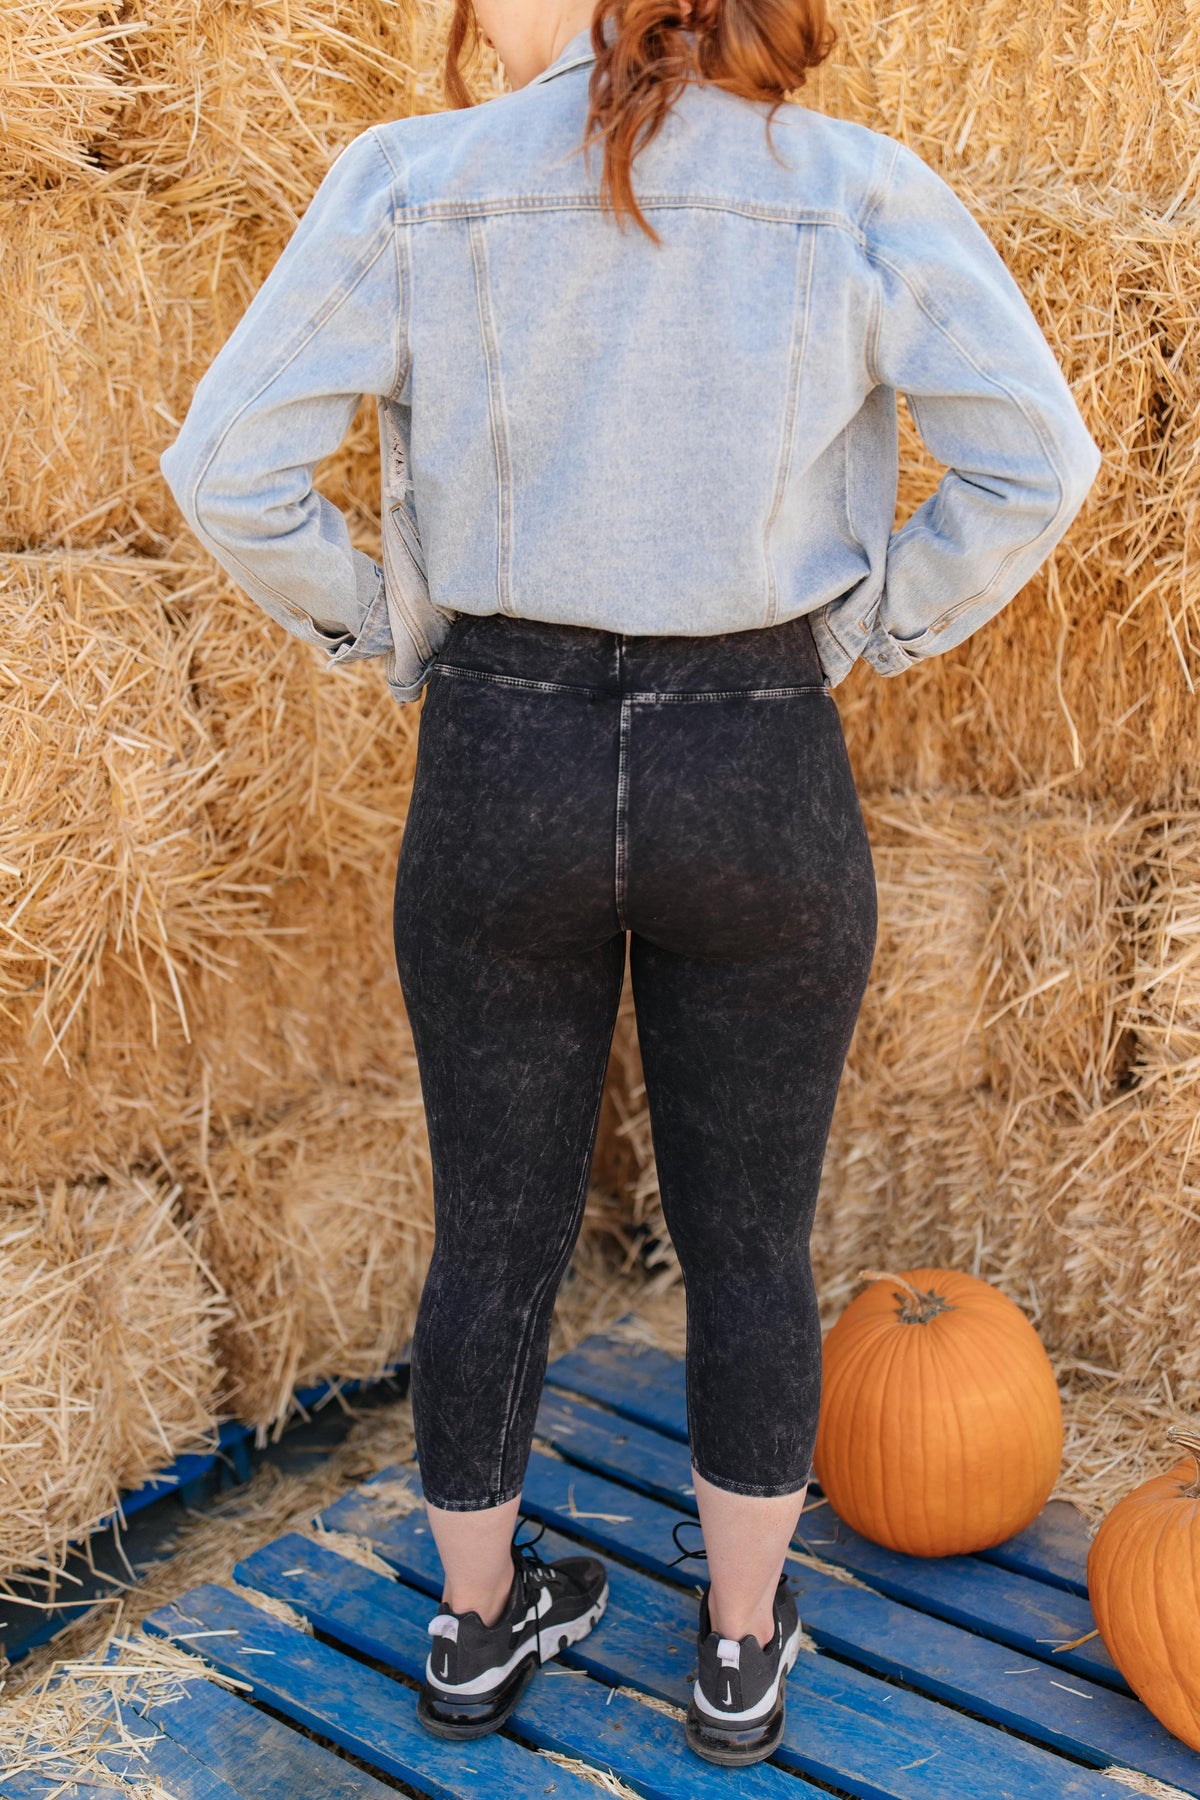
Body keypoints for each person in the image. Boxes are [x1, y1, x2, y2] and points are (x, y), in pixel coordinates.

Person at [160, 0, 1100, 1767]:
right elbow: (1039, 459)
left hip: (498, 759)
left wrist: (389, 631)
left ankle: (472, 1626)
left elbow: (225, 467)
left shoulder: (415, 181)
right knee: (751, 1240)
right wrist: (863, 629)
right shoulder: (853, 187)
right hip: (755, 761)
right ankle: (739, 1648)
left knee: (491, 1228)